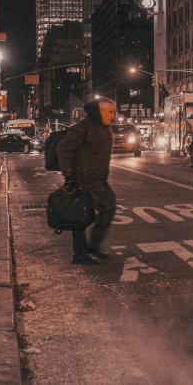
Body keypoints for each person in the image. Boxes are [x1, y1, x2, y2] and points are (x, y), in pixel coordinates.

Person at [58, 97, 117, 265]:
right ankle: (80, 254)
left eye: (113, 112)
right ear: (99, 112)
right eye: (109, 112)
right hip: (83, 181)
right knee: (82, 218)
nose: (113, 116)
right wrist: (68, 175)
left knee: (109, 208)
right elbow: (63, 148)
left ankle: (94, 245)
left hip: (100, 181)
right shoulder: (83, 128)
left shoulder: (105, 128)